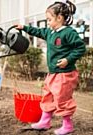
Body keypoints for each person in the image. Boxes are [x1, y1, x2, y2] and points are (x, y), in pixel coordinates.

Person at [14, 0, 85, 135]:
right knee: (48, 96)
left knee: (62, 98)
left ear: (59, 18)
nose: (47, 22)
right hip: (52, 73)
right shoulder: (50, 32)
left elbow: (80, 47)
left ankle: (68, 125)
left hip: (65, 74)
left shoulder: (69, 32)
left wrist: (68, 60)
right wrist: (24, 27)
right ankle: (45, 121)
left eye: (49, 19)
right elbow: (38, 31)